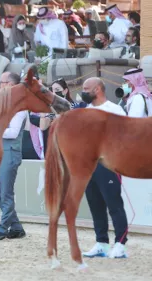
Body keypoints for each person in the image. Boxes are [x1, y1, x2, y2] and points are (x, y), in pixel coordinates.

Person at [79, 77, 129, 259]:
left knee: (114, 203)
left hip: (108, 163)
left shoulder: (115, 110)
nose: (83, 91)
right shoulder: (86, 110)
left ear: (98, 89)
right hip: (89, 164)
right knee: (95, 204)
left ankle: (121, 244)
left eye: (86, 88)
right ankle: (101, 242)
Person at [0, 71, 27, 241]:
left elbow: (12, 133)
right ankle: (17, 226)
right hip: (0, 151)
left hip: (10, 152)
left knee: (5, 193)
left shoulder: (19, 107)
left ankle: (3, 227)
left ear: (11, 85)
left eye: (2, 82)